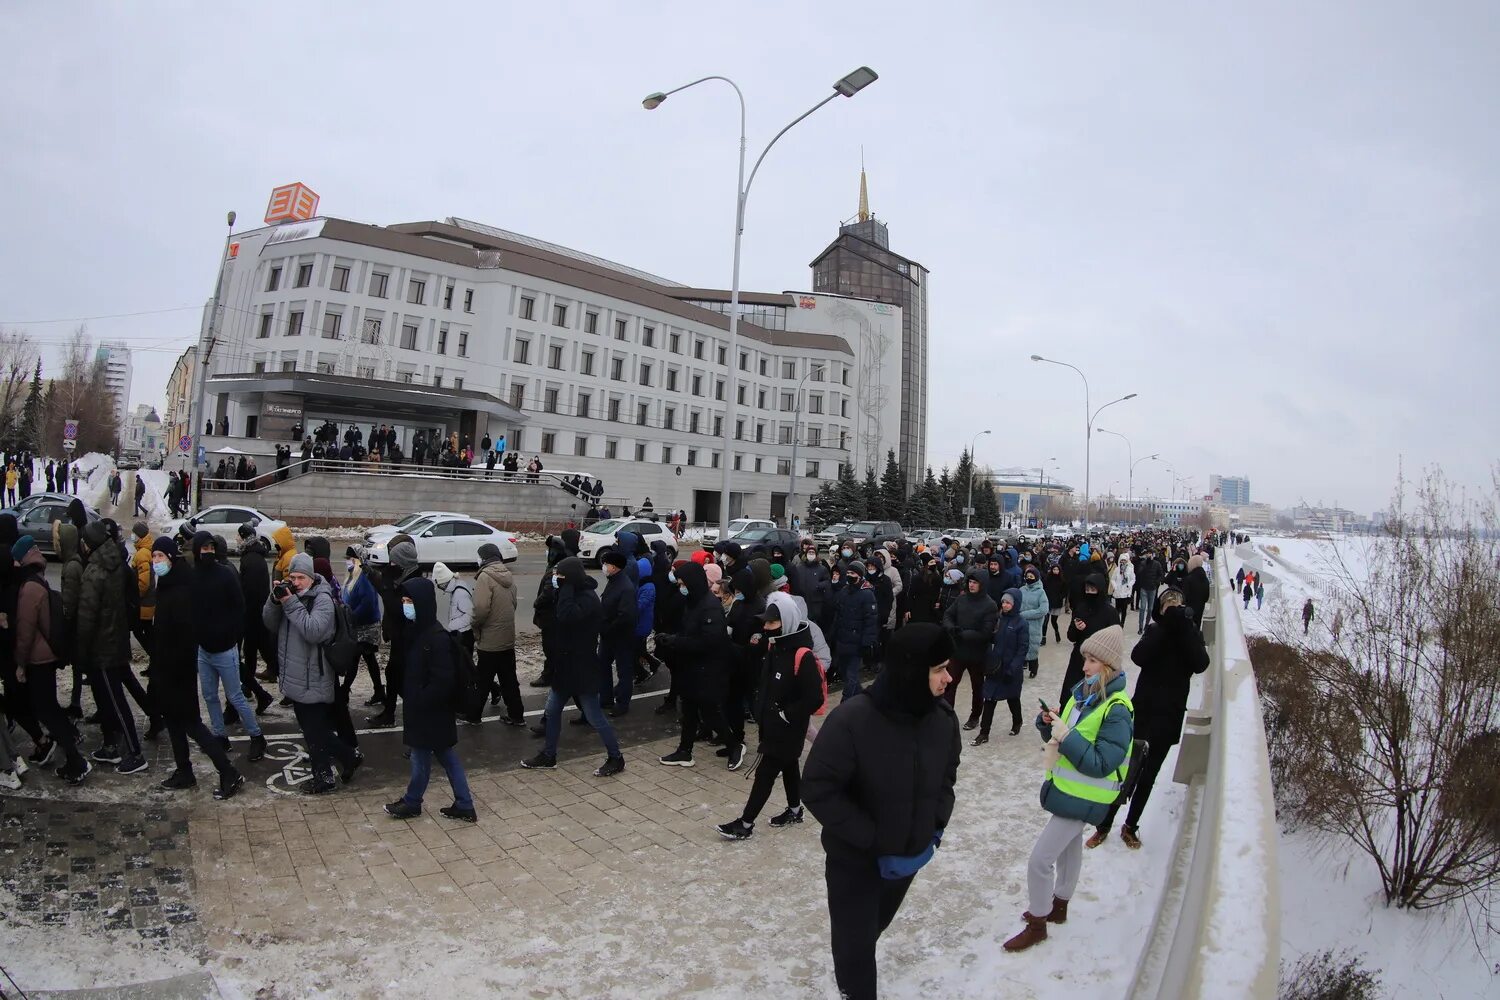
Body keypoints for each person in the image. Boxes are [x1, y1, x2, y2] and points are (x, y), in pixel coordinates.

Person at [802, 623, 961, 1000]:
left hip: (908, 861)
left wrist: (934, 828)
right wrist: (871, 839)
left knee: (872, 928)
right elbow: (818, 787)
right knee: (855, 949)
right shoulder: (852, 720)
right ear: (910, 670)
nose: (949, 677)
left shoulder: (943, 720)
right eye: (939, 668)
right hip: (856, 863)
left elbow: (946, 780)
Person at [1005, 624, 1133, 952]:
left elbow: (1102, 762)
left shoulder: (1117, 709)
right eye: (1085, 659)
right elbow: (1063, 741)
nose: (1085, 666)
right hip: (1073, 790)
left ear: (1108, 666)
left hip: (1087, 794)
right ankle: (1059, 906)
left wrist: (1065, 735)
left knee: (1040, 860)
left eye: (1091, 661)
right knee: (1069, 848)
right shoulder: (1084, 695)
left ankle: (1038, 922)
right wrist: (1047, 725)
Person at [1088, 589, 1206, 849]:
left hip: (1169, 715)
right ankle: (1104, 823)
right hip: (1144, 711)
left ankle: (1130, 825)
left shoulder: (1191, 634)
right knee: (1125, 770)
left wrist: (1184, 628)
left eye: (1177, 604)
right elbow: (1138, 657)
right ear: (1161, 609)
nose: (1172, 609)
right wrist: (1166, 627)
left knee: (1149, 775)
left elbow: (1200, 664)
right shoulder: (1155, 631)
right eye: (1168, 605)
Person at [716, 592, 826, 839]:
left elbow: (814, 697)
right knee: (789, 766)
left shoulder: (802, 655)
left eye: (771, 623)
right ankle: (795, 810)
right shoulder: (775, 648)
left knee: (765, 773)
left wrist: (787, 714)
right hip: (772, 725)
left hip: (787, 728)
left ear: (785, 622)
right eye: (765, 623)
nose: (765, 627)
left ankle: (745, 824)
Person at [148, 536, 244, 798]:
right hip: (167, 670)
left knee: (191, 724)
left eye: (161, 556)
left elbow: (183, 636)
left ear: (172, 558)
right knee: (175, 724)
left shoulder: (179, 590)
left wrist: (171, 670)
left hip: (178, 672)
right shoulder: (168, 585)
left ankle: (228, 772)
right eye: (153, 556)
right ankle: (184, 771)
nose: (156, 561)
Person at [520, 556, 625, 776]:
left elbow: (566, 616)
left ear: (570, 578)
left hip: (581, 668)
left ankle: (616, 757)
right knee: (552, 710)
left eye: (560, 576)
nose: (556, 579)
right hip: (565, 667)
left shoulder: (587, 599)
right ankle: (549, 755)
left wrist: (564, 589)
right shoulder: (571, 593)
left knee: (594, 715)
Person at [384, 577, 477, 822]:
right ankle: (461, 804)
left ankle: (414, 802)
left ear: (423, 603)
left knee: (424, 759)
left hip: (430, 711)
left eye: (409, 601)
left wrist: (420, 700)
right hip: (423, 710)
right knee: (439, 757)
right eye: (404, 600)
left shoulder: (436, 637)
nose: (405, 605)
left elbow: (442, 680)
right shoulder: (415, 631)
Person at [266, 553, 360, 793]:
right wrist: (274, 600)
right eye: (292, 577)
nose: (295, 582)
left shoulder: (323, 599)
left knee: (316, 731)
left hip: (314, 676)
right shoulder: (292, 596)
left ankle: (337, 766)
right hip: (295, 675)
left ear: (311, 578)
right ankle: (333, 768)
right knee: (312, 732)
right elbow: (269, 622)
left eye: (300, 578)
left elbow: (314, 631)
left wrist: (289, 602)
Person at [12, 534, 91, 783]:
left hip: (39, 660)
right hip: (45, 656)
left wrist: (20, 664)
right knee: (50, 709)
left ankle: (76, 761)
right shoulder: (39, 580)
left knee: (47, 711)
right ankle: (73, 755)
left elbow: (25, 631)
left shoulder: (30, 588)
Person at [76, 521, 148, 773]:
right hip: (115, 639)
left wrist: (80, 650)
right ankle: (110, 747)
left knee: (115, 702)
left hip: (102, 647)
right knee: (107, 699)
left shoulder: (94, 571)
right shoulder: (115, 563)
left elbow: (86, 615)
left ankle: (135, 753)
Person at [191, 531, 266, 760]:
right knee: (210, 696)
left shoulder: (225, 575)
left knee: (235, 696)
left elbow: (239, 607)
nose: (208, 552)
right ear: (196, 551)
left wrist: (230, 636)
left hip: (225, 650)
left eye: (211, 548)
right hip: (204, 651)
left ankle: (256, 736)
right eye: (204, 549)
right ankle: (219, 736)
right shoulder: (194, 576)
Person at [655, 561, 732, 768]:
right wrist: (671, 638)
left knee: (709, 713)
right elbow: (689, 632)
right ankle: (684, 751)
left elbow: (709, 642)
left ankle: (734, 746)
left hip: (707, 669)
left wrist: (675, 642)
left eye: (683, 583)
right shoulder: (693, 602)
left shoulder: (710, 606)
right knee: (688, 711)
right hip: (690, 666)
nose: (681, 588)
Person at [467, 543, 523, 726]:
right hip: (507, 637)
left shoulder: (485, 577)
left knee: (482, 680)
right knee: (509, 679)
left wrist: (475, 626)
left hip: (490, 639)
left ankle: (474, 715)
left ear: (484, 558)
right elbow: (513, 603)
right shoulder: (508, 575)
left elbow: (480, 609)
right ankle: (517, 715)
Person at [943, 571, 998, 731]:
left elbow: (986, 632)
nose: (971, 585)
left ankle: (975, 717)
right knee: (949, 685)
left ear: (982, 584)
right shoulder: (961, 599)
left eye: (975, 582)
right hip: (958, 651)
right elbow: (948, 614)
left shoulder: (990, 605)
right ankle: (947, 715)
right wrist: (951, 628)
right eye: (970, 582)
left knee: (977, 687)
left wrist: (962, 634)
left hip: (977, 654)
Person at [976, 589, 1028, 744]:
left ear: (1015, 604)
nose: (1004, 605)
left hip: (1011, 670)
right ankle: (984, 733)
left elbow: (1022, 649)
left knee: (1013, 698)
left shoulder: (1021, 624)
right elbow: (992, 639)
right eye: (1003, 602)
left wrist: (1013, 668)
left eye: (1008, 603)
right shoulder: (998, 619)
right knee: (989, 699)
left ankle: (1017, 721)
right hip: (995, 668)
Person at [1059, 573, 1118, 707]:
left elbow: (1115, 639)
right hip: (1079, 659)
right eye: (1087, 590)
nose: (1090, 593)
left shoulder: (1110, 612)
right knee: (1070, 698)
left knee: (1094, 701)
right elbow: (1071, 636)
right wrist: (1077, 628)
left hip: (1100, 662)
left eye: (1093, 590)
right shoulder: (1080, 608)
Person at [596, 549, 638, 717]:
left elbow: (626, 616)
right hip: (608, 635)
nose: (604, 567)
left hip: (621, 636)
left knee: (624, 670)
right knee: (602, 666)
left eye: (606, 564)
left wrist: (608, 628)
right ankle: (605, 698)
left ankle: (622, 703)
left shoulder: (625, 586)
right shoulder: (613, 581)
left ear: (615, 567)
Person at [343, 546, 384, 708]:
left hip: (366, 627)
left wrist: (351, 617)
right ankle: (379, 691)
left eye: (350, 559)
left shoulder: (364, 578)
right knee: (369, 658)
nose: (347, 562)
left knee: (354, 658)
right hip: (358, 625)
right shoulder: (352, 576)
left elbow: (367, 604)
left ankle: (344, 691)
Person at [830, 560, 878, 699]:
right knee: (846, 674)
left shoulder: (867, 594)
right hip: (843, 640)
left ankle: (845, 705)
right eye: (848, 573)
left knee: (851, 677)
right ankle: (864, 698)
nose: (849, 575)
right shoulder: (845, 591)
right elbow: (838, 614)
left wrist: (867, 643)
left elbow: (870, 621)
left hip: (857, 643)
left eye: (853, 573)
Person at [1018, 564, 1048, 678]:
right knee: (1021, 645)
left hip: (1034, 625)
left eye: (1031, 576)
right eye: (1027, 576)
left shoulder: (1041, 592)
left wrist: (1025, 614)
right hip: (1021, 624)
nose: (1029, 578)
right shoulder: (1021, 590)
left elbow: (1043, 610)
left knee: (1032, 647)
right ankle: (1021, 665)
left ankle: (1033, 668)